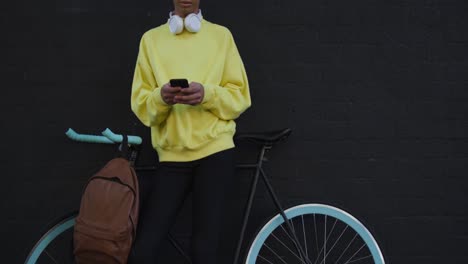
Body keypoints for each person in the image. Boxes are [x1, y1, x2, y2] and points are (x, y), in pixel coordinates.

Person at [129, 0, 251, 262]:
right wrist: (161, 98)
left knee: (204, 250)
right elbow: (140, 105)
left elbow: (240, 98)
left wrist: (206, 94)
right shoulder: (150, 40)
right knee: (144, 249)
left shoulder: (221, 36)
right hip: (171, 157)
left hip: (215, 153)